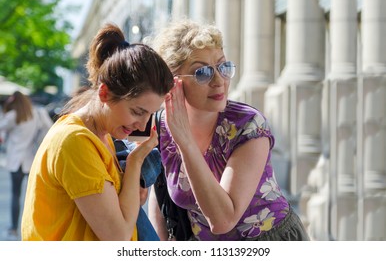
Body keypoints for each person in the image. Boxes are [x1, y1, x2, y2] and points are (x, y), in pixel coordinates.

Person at [148, 19, 310, 241]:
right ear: (172, 83)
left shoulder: (248, 125)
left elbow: (223, 220)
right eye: (202, 72)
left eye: (223, 67)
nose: (219, 81)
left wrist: (185, 141)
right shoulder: (161, 126)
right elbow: (161, 197)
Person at [21, 23, 174, 241]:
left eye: (149, 114)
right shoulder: (75, 141)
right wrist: (135, 162)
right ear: (104, 93)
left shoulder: (101, 137)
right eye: (137, 111)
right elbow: (118, 237)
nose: (142, 125)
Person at [0, 91, 39, 240]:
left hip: (16, 160)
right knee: (34, 196)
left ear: (14, 100)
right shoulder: (34, 114)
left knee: (16, 195)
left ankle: (14, 229)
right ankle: (33, 227)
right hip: (30, 160)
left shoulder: (13, 115)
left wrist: (6, 107)